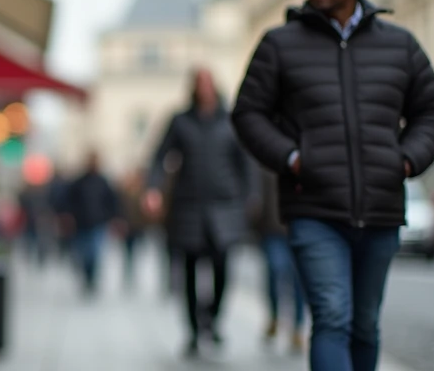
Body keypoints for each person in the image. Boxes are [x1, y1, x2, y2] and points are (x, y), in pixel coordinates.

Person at [232, 0, 434, 371]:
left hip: (380, 209)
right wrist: (293, 158)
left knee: (364, 325)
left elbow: (432, 110)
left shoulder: (399, 45)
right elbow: (249, 113)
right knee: (331, 315)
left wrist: (407, 160)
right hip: (313, 208)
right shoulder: (280, 44)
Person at [143, 68, 253, 355]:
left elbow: (245, 163)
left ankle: (212, 319)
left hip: (224, 206)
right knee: (189, 271)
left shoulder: (230, 121)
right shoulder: (180, 121)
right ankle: (193, 330)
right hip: (189, 208)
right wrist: (153, 189)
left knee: (222, 267)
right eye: (199, 83)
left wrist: (250, 197)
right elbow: (160, 156)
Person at [253, 167, 305, 353]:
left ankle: (297, 327)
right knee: (276, 270)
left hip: (299, 230)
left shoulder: (306, 161)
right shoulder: (268, 163)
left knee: (298, 280)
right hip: (272, 230)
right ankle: (274, 315)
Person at [62, 152, 121, 294]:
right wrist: (69, 216)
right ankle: (87, 276)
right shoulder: (79, 182)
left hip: (98, 223)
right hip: (81, 224)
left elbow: (112, 201)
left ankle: (92, 278)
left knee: (95, 253)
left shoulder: (103, 182)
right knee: (84, 254)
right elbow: (68, 201)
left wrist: (112, 217)